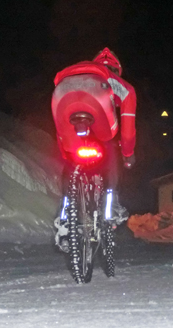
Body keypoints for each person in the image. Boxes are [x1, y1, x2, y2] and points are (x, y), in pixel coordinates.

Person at [51, 47, 136, 252]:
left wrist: (68, 156)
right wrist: (128, 154)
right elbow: (127, 125)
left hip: (60, 94)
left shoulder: (77, 69)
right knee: (110, 141)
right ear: (116, 70)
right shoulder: (112, 79)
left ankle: (65, 221)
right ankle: (111, 205)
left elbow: (61, 136)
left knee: (71, 158)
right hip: (95, 99)